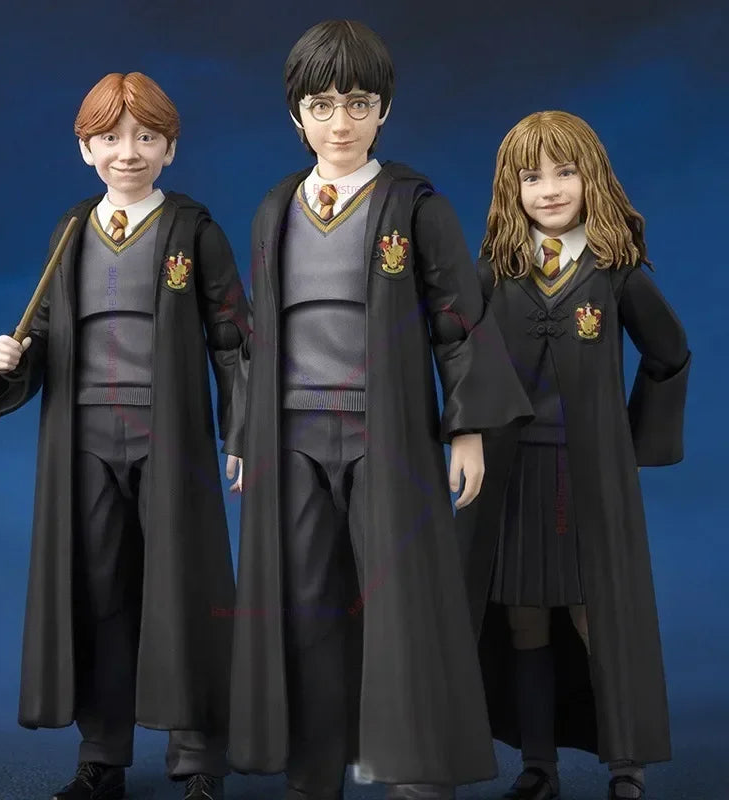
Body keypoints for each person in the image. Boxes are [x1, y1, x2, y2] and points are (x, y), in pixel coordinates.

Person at [222, 20, 533, 800]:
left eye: (358, 103)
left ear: (384, 109)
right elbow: (256, 335)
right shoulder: (276, 207)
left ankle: (413, 773)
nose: (341, 123)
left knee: (401, 600)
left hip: (383, 432)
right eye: (322, 106)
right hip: (291, 435)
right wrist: (243, 432)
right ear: (296, 115)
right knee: (305, 603)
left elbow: (457, 321)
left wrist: (467, 429)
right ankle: (314, 774)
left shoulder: (413, 204)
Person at [0, 72, 249, 800]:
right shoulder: (73, 230)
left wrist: (239, 431)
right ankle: (102, 756)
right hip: (85, 438)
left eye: (146, 137)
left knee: (183, 589)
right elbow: (43, 331)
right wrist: (6, 361)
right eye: (110, 138)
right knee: (98, 592)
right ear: (85, 148)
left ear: (170, 148)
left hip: (167, 436)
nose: (128, 152)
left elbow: (232, 339)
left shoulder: (193, 230)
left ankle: (198, 760)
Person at [458, 110, 690, 800]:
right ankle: (539, 767)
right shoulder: (494, 274)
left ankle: (626, 767)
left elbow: (669, 354)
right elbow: (457, 356)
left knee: (599, 615)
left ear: (592, 178)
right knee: (523, 616)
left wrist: (633, 447)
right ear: (512, 188)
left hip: (588, 478)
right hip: (511, 476)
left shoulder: (615, 274)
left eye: (565, 173)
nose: (550, 189)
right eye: (532, 178)